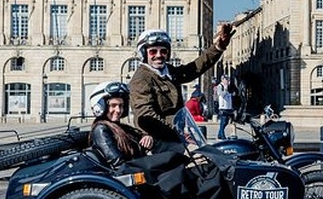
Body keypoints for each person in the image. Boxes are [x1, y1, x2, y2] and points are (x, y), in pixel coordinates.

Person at [129, 23, 232, 152]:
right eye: (153, 51)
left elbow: (195, 68)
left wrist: (218, 47)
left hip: (174, 136)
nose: (159, 55)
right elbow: (145, 113)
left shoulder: (169, 72)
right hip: (159, 138)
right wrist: (176, 132)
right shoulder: (142, 78)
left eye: (163, 51)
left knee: (209, 156)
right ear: (144, 53)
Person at [88, 81, 154, 168]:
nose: (118, 110)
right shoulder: (101, 129)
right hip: (131, 173)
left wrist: (146, 137)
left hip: (138, 167)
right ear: (100, 107)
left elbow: (138, 139)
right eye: (113, 105)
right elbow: (118, 163)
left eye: (121, 106)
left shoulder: (122, 127)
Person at [215, 75, 234, 139]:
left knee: (226, 121)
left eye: (228, 80)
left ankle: (220, 134)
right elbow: (221, 94)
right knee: (223, 121)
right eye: (226, 80)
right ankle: (222, 135)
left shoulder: (228, 86)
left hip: (228, 106)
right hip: (223, 106)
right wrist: (225, 89)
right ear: (222, 80)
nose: (228, 81)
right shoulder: (220, 86)